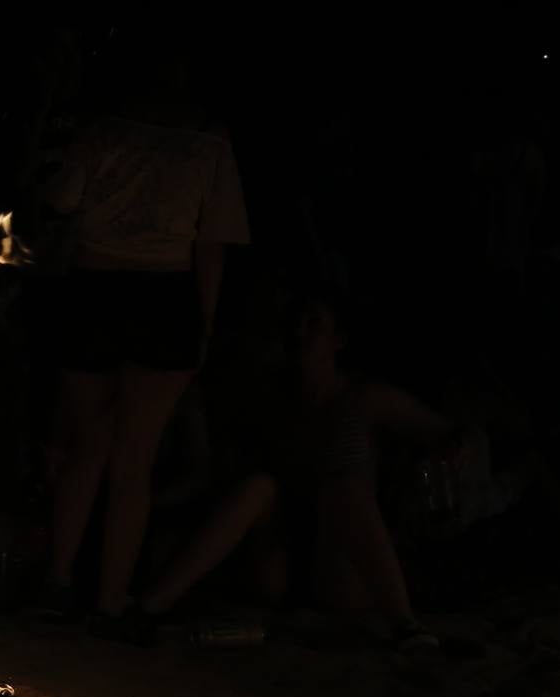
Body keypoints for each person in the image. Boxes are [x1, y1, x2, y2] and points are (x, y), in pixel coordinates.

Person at [37, 39, 250, 625]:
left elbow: (61, 203)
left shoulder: (103, 131)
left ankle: (59, 582)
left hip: (95, 288)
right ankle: (109, 599)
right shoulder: (207, 140)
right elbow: (212, 242)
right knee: (134, 460)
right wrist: (202, 323)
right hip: (163, 294)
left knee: (89, 448)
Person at [133, 294, 456, 650]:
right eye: (296, 323)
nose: (299, 333)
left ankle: (404, 623)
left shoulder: (362, 397)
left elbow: (449, 435)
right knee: (260, 487)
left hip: (341, 563)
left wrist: (442, 468)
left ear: (338, 340)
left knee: (344, 486)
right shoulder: (274, 400)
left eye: (313, 325)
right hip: (281, 561)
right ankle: (151, 606)